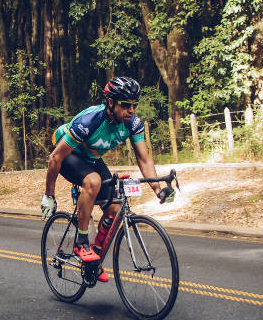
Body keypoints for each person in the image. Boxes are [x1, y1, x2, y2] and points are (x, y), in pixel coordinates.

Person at [41, 77, 175, 283]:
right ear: (111, 102)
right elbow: (55, 158)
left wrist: (158, 190)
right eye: (125, 105)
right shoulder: (90, 121)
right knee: (93, 181)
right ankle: (81, 242)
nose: (131, 110)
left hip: (92, 158)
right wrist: (49, 195)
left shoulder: (133, 124)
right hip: (68, 153)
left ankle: (93, 261)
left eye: (134, 105)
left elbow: (144, 158)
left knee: (114, 210)